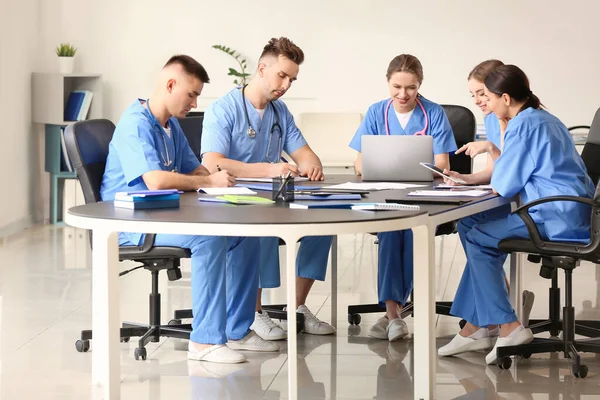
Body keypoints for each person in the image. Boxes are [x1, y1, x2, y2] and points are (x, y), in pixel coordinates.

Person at [100, 55, 278, 365]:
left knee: (245, 233)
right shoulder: (136, 124)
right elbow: (155, 181)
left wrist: (210, 181)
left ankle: (237, 330)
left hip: (162, 214)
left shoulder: (169, 126)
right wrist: (206, 180)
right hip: (130, 224)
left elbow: (194, 170)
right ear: (170, 85)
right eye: (191, 94)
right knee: (208, 237)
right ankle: (204, 342)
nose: (194, 103)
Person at [438, 64, 595, 364]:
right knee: (472, 224)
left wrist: (496, 148)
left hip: (551, 218)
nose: (486, 104)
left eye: (488, 97)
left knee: (475, 234)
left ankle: (506, 326)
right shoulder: (545, 117)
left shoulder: (522, 125)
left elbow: (504, 184)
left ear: (506, 97)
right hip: (572, 212)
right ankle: (478, 325)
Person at [201, 37, 336, 341]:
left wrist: (310, 164)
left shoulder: (280, 112)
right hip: (230, 198)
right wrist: (271, 169)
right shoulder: (223, 110)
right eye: (282, 76)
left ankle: (297, 308)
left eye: (292, 79)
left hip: (270, 193)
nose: (286, 85)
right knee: (261, 220)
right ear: (262, 69)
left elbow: (306, 155)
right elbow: (213, 164)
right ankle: (253, 312)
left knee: (325, 220)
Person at [349, 54, 457, 341]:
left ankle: (392, 313)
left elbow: (442, 165)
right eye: (396, 87)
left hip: (423, 195)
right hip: (385, 194)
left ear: (419, 84)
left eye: (410, 87)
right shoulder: (375, 112)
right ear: (387, 82)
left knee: (410, 231)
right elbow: (359, 165)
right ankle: (394, 313)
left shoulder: (433, 113)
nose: (403, 94)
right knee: (389, 233)